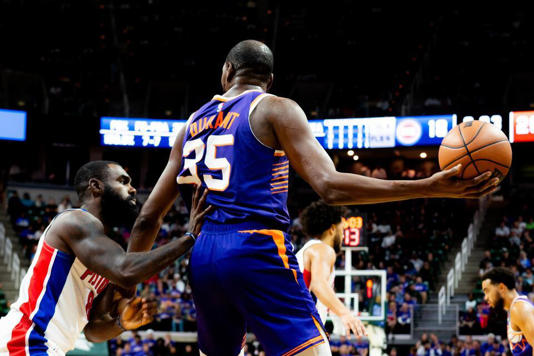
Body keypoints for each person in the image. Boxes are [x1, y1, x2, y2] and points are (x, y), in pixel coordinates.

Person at [127, 40, 498, 356]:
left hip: (203, 254)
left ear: (226, 73)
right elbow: (330, 186)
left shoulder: (189, 125)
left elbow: (147, 218)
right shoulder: (274, 107)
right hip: (256, 247)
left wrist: (124, 286)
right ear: (269, 80)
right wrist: (428, 186)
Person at [0, 161, 210, 355]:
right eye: (123, 181)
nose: (133, 189)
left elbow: (93, 330)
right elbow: (126, 271)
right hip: (26, 339)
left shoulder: (102, 248)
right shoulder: (74, 221)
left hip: (46, 345)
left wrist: (121, 324)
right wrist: (189, 237)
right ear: (96, 186)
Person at [295, 200, 366, 336]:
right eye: (342, 229)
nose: (344, 234)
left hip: (296, 328)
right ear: (332, 229)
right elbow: (318, 284)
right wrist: (345, 313)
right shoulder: (323, 249)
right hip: (304, 330)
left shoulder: (307, 249)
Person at [482, 267, 534, 355]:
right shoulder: (514, 309)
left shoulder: (519, 308)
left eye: (487, 291)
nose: (485, 297)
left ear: (502, 287)